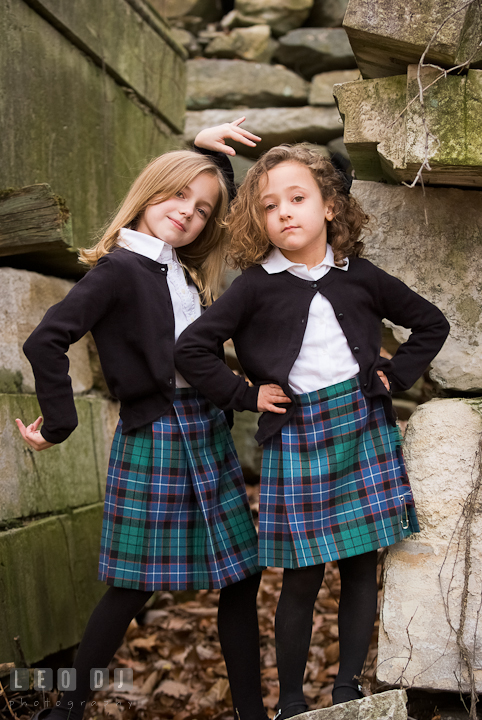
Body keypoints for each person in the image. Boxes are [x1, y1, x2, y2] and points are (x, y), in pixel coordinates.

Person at [175, 144, 450, 718]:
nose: (284, 213)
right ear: (259, 220)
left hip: (362, 426)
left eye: (297, 199)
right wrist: (246, 395)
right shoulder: (254, 285)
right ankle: (293, 702)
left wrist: (392, 376)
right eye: (270, 206)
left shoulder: (360, 277)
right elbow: (193, 348)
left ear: (329, 206)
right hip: (295, 435)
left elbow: (431, 322)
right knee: (300, 576)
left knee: (357, 565)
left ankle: (347, 688)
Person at [16, 119, 271, 720]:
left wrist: (211, 156)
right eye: (176, 195)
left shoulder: (177, 270)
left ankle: (255, 713)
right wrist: (58, 423)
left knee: (241, 577)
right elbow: (45, 341)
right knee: (132, 585)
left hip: (203, 428)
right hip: (156, 433)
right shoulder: (118, 271)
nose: (188, 213)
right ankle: (67, 711)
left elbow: (206, 203)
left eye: (202, 210)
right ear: (147, 192)